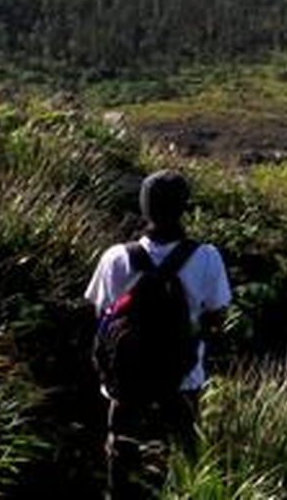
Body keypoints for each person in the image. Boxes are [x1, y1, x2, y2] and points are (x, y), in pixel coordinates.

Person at [84, 169, 233, 500]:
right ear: (184, 208)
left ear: (144, 207)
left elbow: (101, 318)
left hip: (124, 382)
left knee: (121, 463)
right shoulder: (206, 257)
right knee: (186, 465)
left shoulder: (115, 257)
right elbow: (218, 316)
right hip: (181, 379)